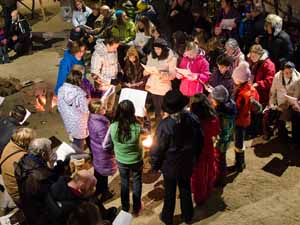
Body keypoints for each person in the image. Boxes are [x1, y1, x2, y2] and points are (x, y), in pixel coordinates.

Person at [150, 90, 204, 225]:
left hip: (170, 165)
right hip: (187, 162)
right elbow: (200, 141)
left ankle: (167, 217)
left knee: (170, 192)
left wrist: (155, 165)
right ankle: (188, 215)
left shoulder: (164, 125)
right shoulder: (193, 119)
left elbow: (158, 149)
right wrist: (195, 157)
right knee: (185, 189)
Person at [103, 100, 144, 216]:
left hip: (121, 160)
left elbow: (105, 144)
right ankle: (136, 207)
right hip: (136, 159)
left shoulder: (113, 126)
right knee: (137, 181)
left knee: (124, 182)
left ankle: (125, 207)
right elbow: (147, 132)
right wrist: (146, 118)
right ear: (132, 112)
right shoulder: (137, 126)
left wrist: (113, 149)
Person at [14, 138, 60, 225]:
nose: (52, 152)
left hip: (28, 209)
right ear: (43, 154)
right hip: (41, 217)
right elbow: (54, 189)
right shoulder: (40, 176)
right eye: (50, 150)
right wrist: (52, 164)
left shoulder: (23, 161)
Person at [46, 170, 117, 225]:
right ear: (81, 187)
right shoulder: (76, 209)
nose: (94, 189)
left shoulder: (61, 184)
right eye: (91, 187)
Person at [190, 94, 220, 205]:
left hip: (196, 150)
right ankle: (208, 191)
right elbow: (216, 132)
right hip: (208, 147)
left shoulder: (192, 120)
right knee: (209, 170)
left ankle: (200, 197)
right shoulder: (213, 118)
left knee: (197, 174)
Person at [232, 62, 259, 172]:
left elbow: (237, 109)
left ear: (239, 80)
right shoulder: (250, 89)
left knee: (238, 142)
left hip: (240, 120)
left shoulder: (243, 93)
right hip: (245, 119)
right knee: (239, 141)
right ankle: (240, 163)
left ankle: (239, 164)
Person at [88, 99, 116, 201]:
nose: (105, 108)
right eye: (103, 108)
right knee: (103, 174)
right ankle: (105, 193)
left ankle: (98, 190)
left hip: (96, 149)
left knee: (98, 171)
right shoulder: (101, 125)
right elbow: (106, 143)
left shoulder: (91, 119)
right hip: (103, 153)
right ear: (97, 111)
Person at [263, 61, 300, 140]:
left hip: (291, 104)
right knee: (269, 114)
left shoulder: (298, 78)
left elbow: (296, 96)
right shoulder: (277, 76)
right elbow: (273, 92)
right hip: (279, 103)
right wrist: (272, 105)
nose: (289, 75)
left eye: (291, 72)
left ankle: (293, 139)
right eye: (287, 72)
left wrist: (289, 104)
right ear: (282, 71)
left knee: (292, 116)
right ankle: (278, 134)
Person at [0, 128, 36, 205]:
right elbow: (35, 178)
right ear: (26, 143)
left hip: (12, 189)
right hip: (22, 198)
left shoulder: (10, 145)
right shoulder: (22, 159)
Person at [144, 38, 177, 123]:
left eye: (158, 49)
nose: (156, 51)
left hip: (163, 86)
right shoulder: (152, 55)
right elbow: (147, 69)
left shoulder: (171, 56)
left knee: (163, 107)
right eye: (155, 49)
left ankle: (164, 125)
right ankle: (158, 124)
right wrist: (146, 71)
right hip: (153, 85)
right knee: (156, 107)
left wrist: (163, 74)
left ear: (163, 49)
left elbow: (173, 75)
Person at [210, 85, 236, 186]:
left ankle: (219, 180)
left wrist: (215, 141)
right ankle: (221, 176)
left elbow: (218, 131)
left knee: (219, 161)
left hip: (220, 142)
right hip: (227, 138)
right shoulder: (231, 105)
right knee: (221, 159)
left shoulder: (220, 114)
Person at [247, 44, 275, 137]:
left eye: (254, 56)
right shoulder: (255, 62)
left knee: (258, 113)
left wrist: (258, 84)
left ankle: (257, 131)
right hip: (254, 91)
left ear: (260, 55)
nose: (252, 58)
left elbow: (269, 81)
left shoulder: (269, 64)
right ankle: (252, 129)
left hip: (263, 93)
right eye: (251, 56)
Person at [57, 69, 89, 151]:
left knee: (75, 139)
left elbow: (59, 107)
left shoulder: (61, 90)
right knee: (79, 144)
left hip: (68, 120)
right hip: (80, 124)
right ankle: (77, 158)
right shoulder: (79, 94)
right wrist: (88, 101)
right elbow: (85, 110)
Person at [90, 36, 120, 114]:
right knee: (102, 108)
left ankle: (109, 120)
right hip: (103, 88)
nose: (115, 49)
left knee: (110, 107)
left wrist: (120, 72)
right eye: (114, 47)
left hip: (112, 86)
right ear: (108, 45)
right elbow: (94, 74)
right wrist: (110, 81)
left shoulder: (114, 50)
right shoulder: (98, 54)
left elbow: (116, 63)